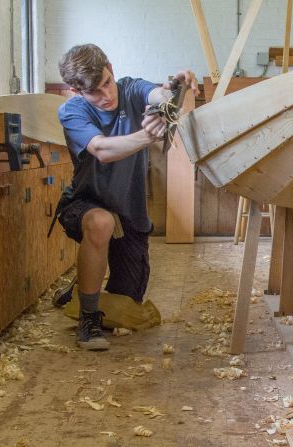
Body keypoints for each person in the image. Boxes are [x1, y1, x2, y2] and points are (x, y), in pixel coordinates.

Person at [52, 44, 198, 351]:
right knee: (101, 223)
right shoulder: (72, 111)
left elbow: (156, 95)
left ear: (111, 69)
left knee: (124, 309)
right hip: (86, 202)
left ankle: (82, 287)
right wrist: (148, 136)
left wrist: (174, 90)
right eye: (94, 92)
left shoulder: (130, 88)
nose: (107, 95)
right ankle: (87, 319)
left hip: (129, 209)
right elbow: (103, 150)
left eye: (107, 82)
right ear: (76, 91)